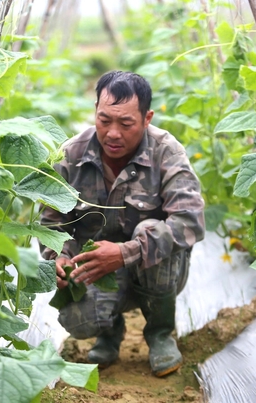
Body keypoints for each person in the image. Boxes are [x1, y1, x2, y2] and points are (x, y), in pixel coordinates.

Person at [40, 70, 205, 377]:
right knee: (78, 321)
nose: (113, 133)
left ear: (147, 118)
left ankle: (159, 333)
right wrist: (59, 257)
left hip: (157, 272)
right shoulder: (70, 156)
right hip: (97, 272)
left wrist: (124, 253)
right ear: (95, 113)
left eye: (126, 123)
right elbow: (51, 223)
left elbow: (191, 221)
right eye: (104, 120)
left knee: (150, 231)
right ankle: (109, 331)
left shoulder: (166, 152)